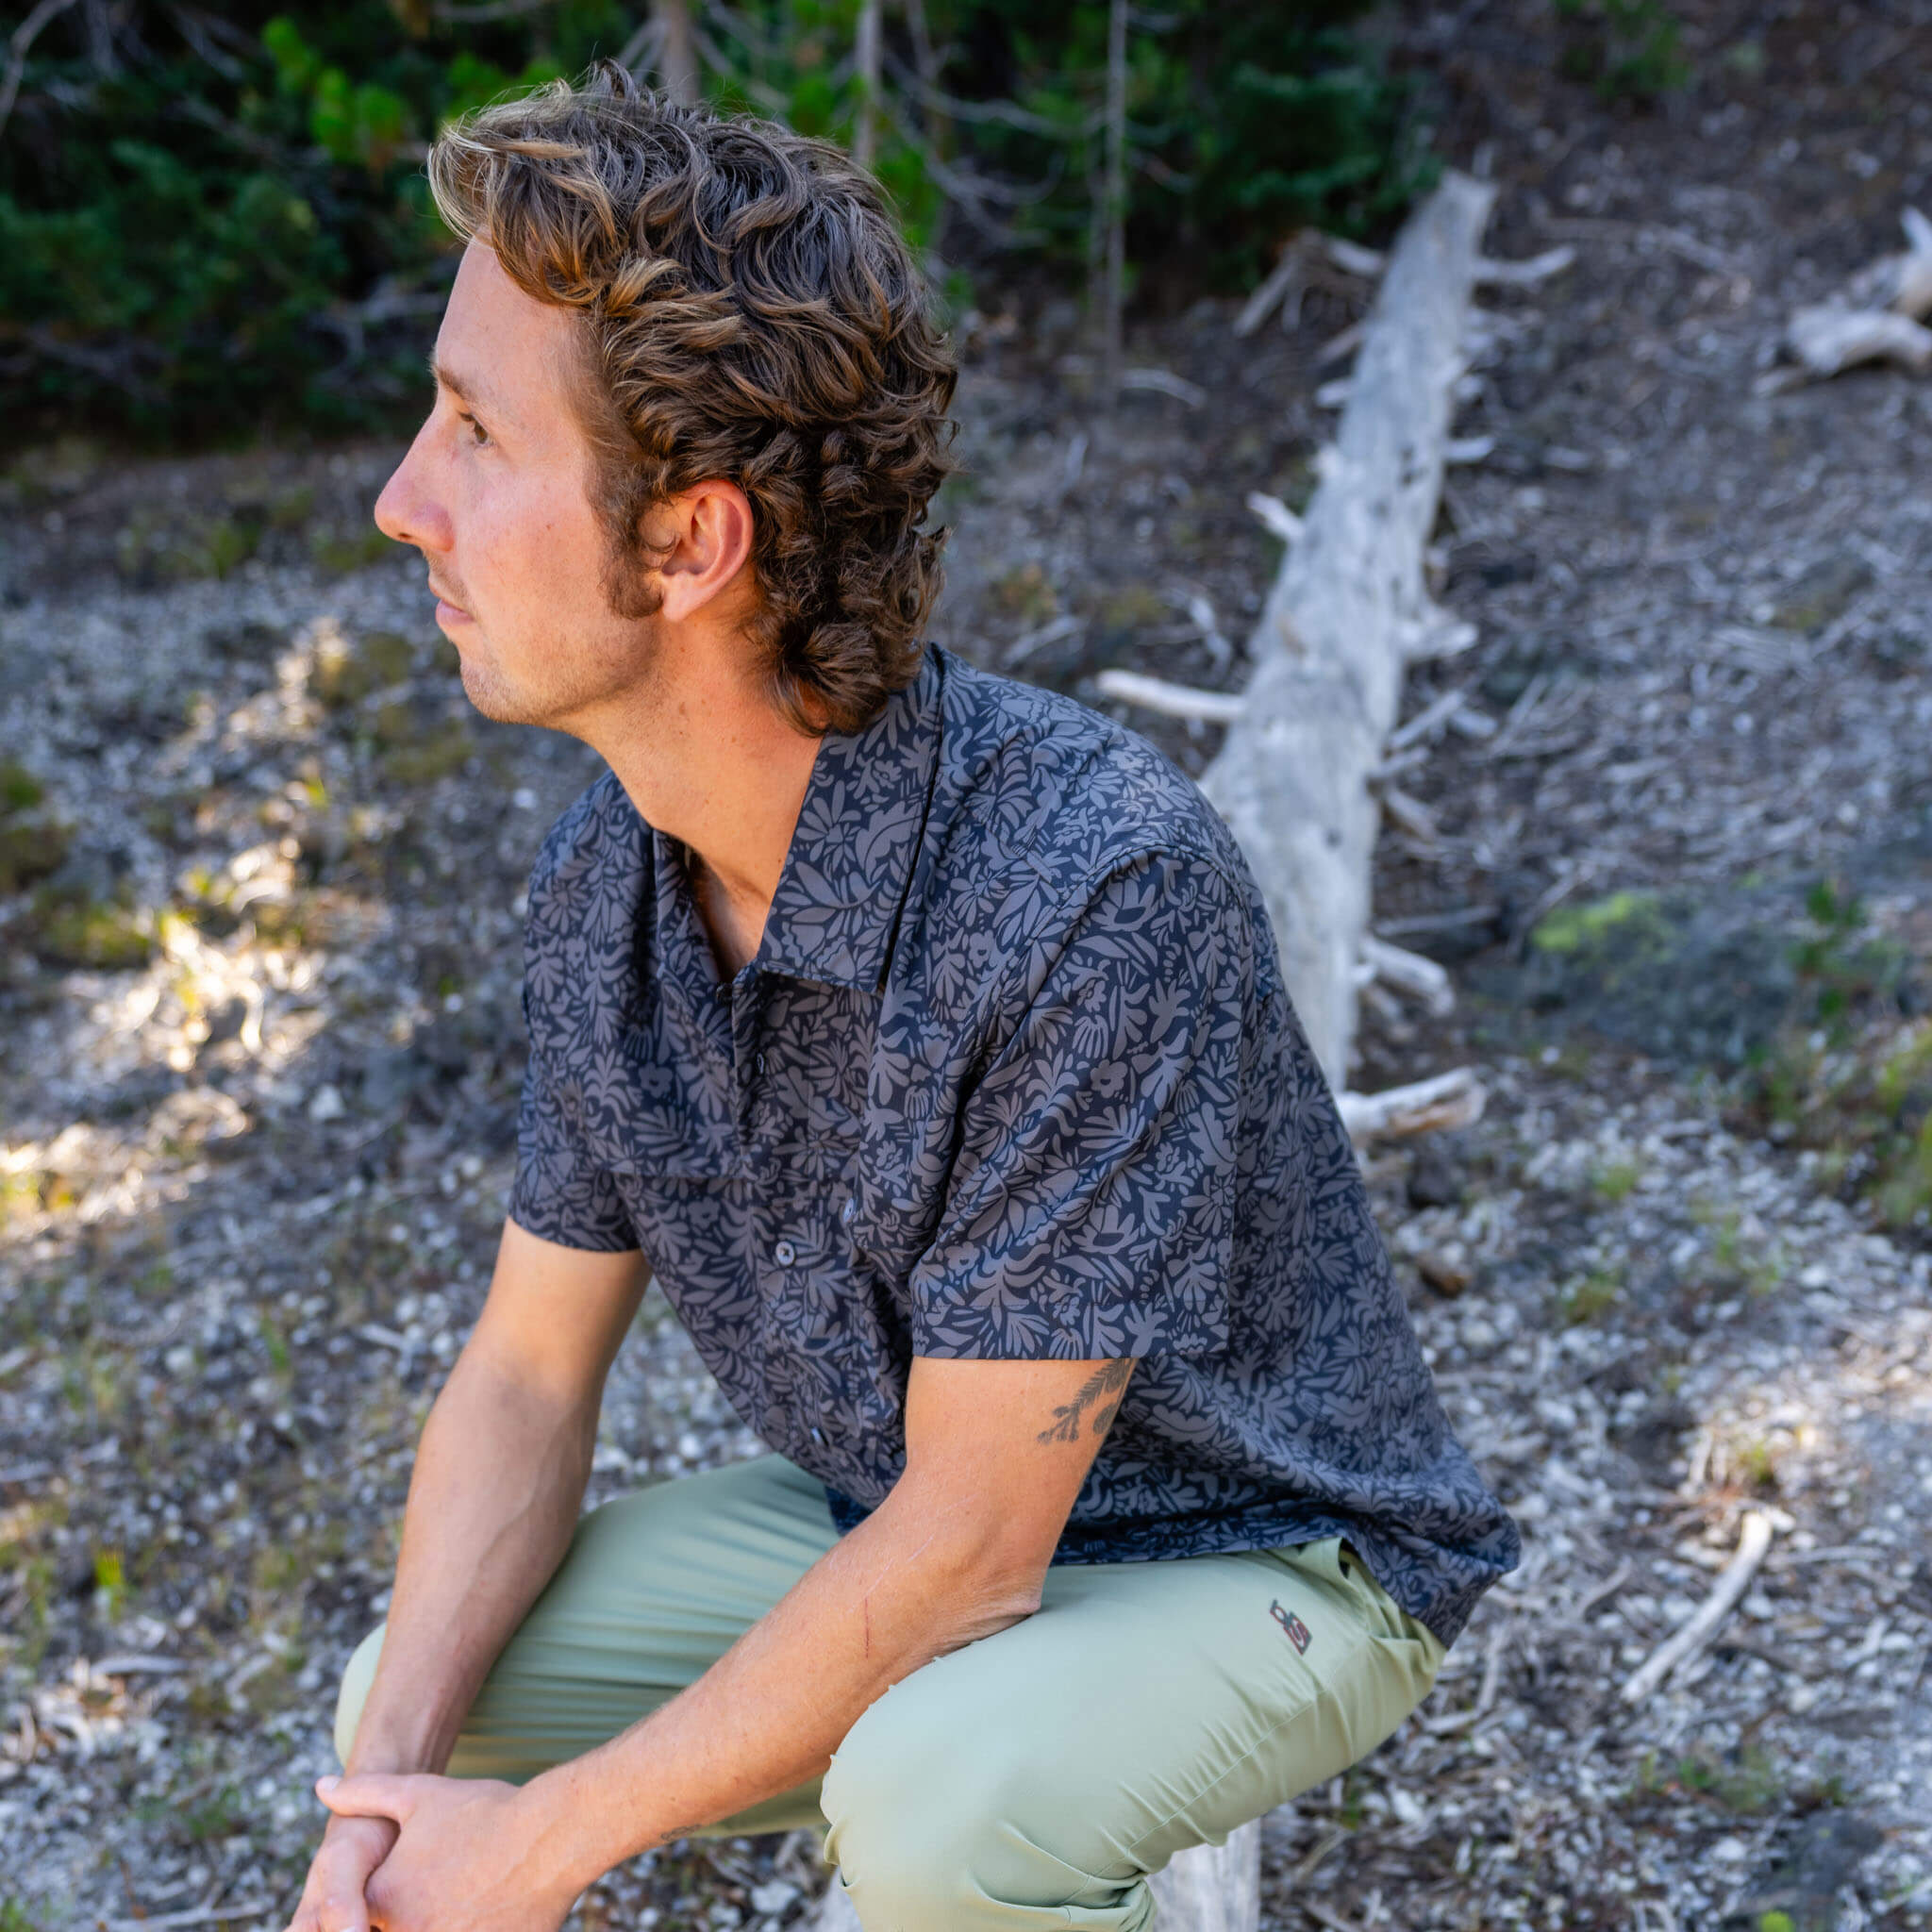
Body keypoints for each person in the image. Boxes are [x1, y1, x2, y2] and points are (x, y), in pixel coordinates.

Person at [284, 63, 1518, 1932]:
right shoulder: (608, 881)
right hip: (903, 1509)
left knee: (938, 1808)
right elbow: (531, 1375)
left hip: (1250, 1550)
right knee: (404, 1689)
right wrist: (390, 1805)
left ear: (692, 542)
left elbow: (965, 1553)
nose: (399, 502)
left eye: (471, 432)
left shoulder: (1083, 886)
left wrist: (535, 1849)